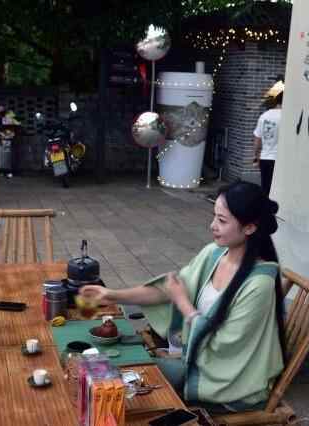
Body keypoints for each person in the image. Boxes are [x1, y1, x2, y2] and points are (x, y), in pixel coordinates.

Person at [80, 181, 286, 413]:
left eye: (222, 220)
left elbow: (224, 344)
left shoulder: (259, 284)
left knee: (127, 385)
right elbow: (166, 291)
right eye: (214, 216)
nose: (212, 226)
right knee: (112, 372)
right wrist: (112, 295)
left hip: (230, 384)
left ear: (249, 228)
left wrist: (183, 303)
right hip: (198, 362)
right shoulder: (214, 254)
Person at [253, 91, 283, 196]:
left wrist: (256, 158)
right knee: (279, 191)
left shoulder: (264, 116)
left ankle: (264, 206)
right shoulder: (287, 116)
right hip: (281, 160)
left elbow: (257, 141)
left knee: (265, 188)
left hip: (265, 158)